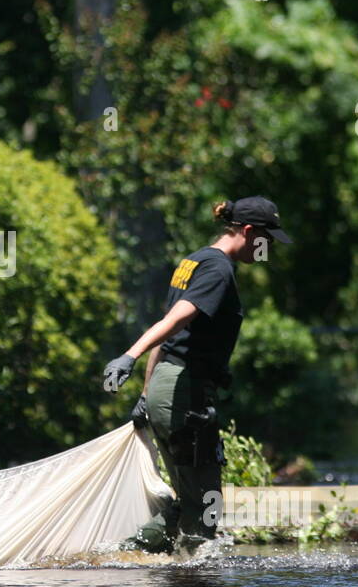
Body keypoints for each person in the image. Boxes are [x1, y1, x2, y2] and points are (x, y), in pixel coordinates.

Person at [102, 196, 292, 551]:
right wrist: (129, 355)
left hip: (166, 388)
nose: (269, 248)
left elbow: (169, 328)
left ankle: (138, 561)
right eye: (267, 239)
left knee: (192, 497)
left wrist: (146, 393)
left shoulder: (194, 261)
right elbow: (175, 321)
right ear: (249, 232)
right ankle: (148, 566)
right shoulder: (219, 270)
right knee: (206, 502)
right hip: (183, 393)